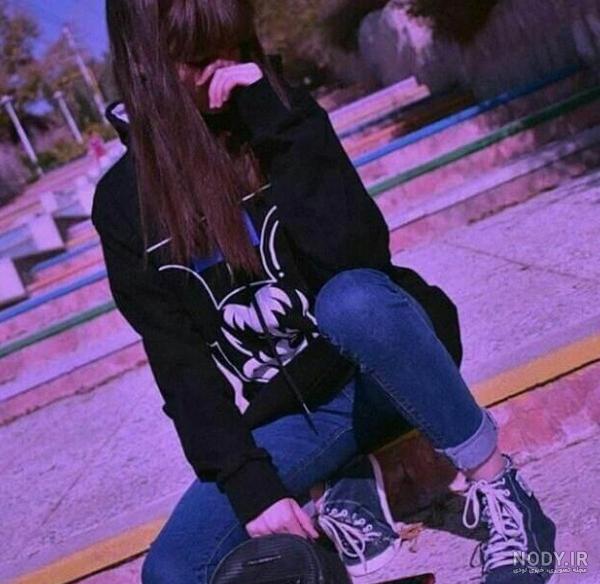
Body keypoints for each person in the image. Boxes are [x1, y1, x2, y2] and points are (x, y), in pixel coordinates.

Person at [94, 1, 557, 582]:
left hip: (386, 363)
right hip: (301, 418)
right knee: (172, 569)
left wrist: (274, 121)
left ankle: (503, 491)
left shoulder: (277, 116)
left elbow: (362, 261)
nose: (225, 66)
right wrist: (252, 487)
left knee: (351, 301)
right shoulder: (123, 204)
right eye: (199, 56)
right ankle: (346, 478)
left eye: (233, 44)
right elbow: (180, 366)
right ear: (146, 63)